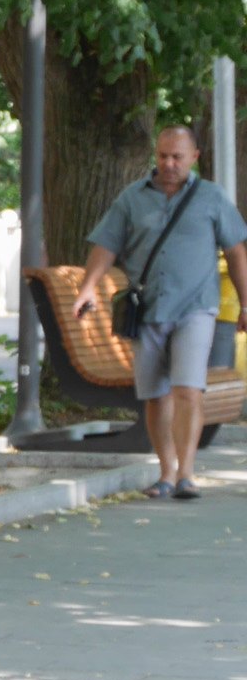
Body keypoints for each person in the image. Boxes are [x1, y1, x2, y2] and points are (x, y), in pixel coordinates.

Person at [72, 126, 247, 500]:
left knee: (188, 389)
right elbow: (105, 245)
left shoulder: (212, 198)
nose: (168, 163)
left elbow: (236, 252)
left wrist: (246, 302)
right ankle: (165, 473)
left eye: (177, 157)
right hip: (147, 307)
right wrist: (87, 288)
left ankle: (186, 474)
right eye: (163, 155)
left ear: (195, 157)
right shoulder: (132, 199)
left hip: (196, 308)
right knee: (155, 395)